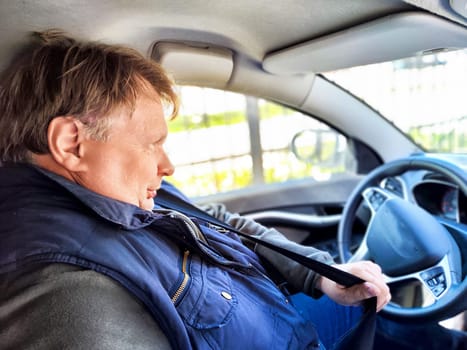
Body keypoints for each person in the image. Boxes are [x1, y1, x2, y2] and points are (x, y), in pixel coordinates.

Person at [0, 29, 391, 350]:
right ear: (71, 143)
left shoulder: (122, 194)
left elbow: (216, 221)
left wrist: (320, 274)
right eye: (151, 143)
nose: (167, 165)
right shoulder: (67, 294)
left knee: (380, 311)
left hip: (282, 320)